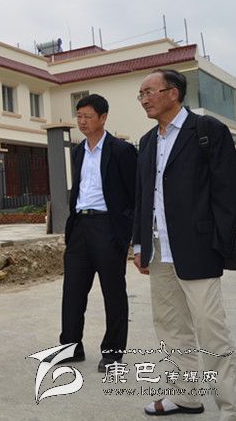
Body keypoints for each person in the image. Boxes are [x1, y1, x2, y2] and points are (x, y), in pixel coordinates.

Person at [133, 69, 236, 419]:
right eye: (141, 94)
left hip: (199, 249)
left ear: (173, 93)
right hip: (159, 250)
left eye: (149, 92)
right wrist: (139, 244)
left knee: (212, 332)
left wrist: (219, 242)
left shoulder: (207, 131)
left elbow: (228, 190)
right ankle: (185, 397)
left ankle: (232, 410)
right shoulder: (147, 142)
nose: (144, 99)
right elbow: (142, 196)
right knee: (171, 328)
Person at [59, 94, 137, 372]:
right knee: (73, 291)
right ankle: (71, 347)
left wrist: (127, 233)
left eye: (88, 116)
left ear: (103, 118)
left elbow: (134, 194)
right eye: (79, 116)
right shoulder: (78, 151)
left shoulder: (121, 151)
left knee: (113, 293)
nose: (82, 121)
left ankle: (113, 353)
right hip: (81, 226)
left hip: (108, 227)